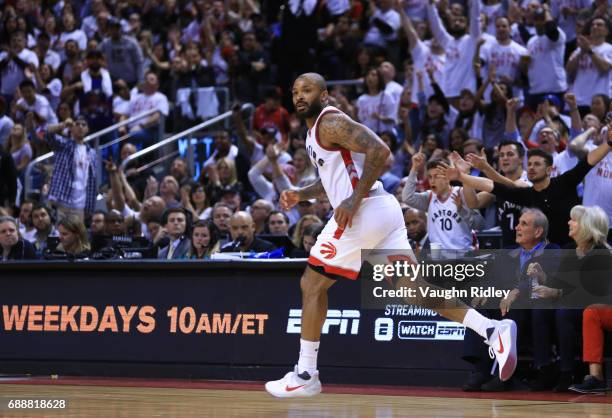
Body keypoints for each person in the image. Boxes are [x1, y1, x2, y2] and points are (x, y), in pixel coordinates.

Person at [264, 73, 517, 398]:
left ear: (324, 95)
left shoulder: (330, 122)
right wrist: (301, 194)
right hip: (381, 210)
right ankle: (491, 329)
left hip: (364, 212)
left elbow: (380, 152)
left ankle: (305, 373)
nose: (300, 96)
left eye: (307, 90)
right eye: (296, 91)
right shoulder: (315, 133)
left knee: (311, 284)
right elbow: (335, 180)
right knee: (414, 290)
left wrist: (354, 200)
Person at [442, 135, 612, 245]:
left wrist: (609, 143)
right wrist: (462, 176)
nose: (531, 168)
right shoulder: (526, 196)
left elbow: (587, 162)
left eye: (537, 164)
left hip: (576, 248)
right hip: (548, 254)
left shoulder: (563, 182)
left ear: (548, 170)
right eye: (529, 164)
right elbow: (490, 185)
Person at [34, 116, 98, 221]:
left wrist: (89, 204)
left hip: (81, 203)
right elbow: (44, 132)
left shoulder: (92, 153)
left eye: (83, 125)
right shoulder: (63, 144)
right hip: (63, 199)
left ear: (87, 129)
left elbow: (92, 181)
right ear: (71, 128)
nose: (80, 127)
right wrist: (63, 124)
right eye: (77, 124)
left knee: (76, 235)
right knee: (62, 234)